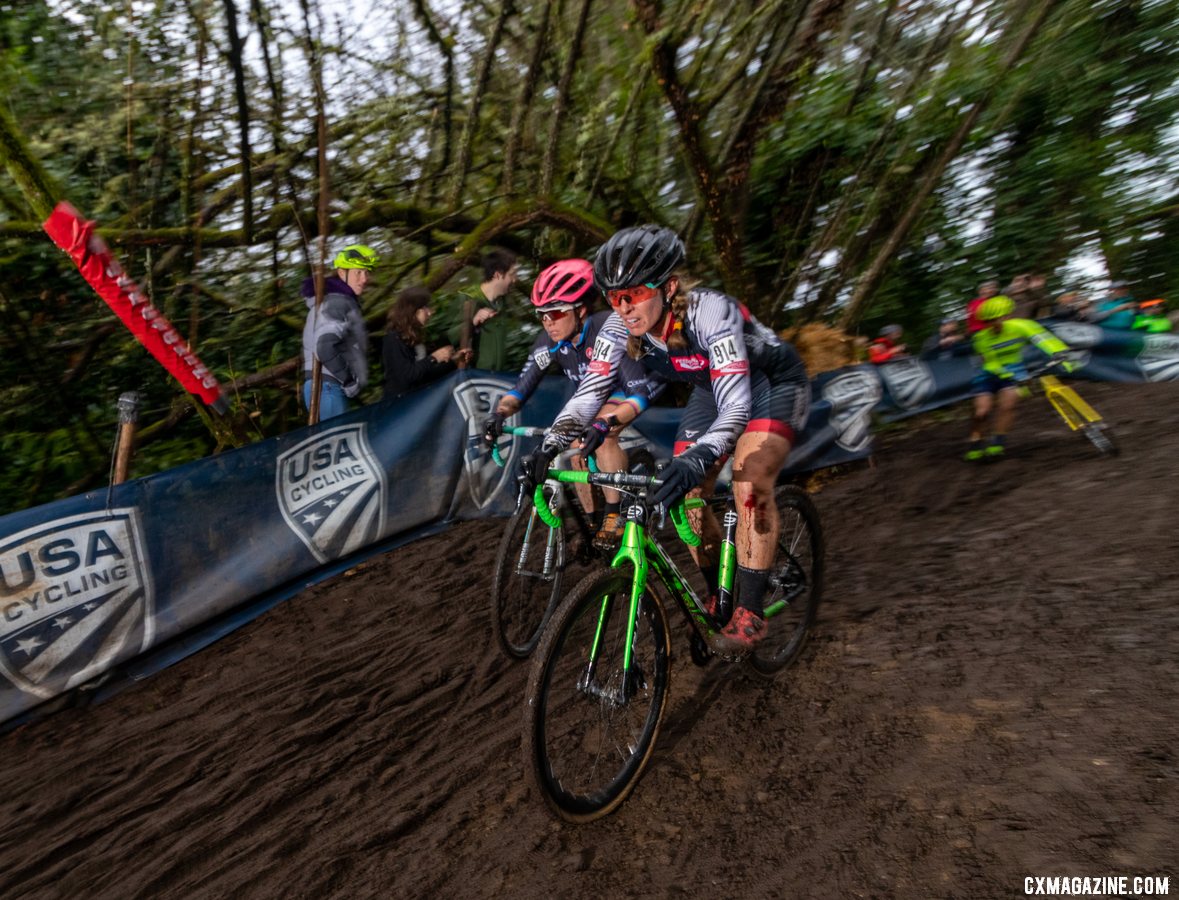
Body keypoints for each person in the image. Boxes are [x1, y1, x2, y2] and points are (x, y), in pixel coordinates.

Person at [519, 225, 810, 654]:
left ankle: (749, 611)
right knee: (688, 496)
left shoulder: (711, 312)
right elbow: (590, 394)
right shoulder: (620, 329)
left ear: (668, 286)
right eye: (614, 297)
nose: (624, 307)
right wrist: (549, 444)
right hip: (711, 390)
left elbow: (737, 410)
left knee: (749, 481)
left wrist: (699, 456)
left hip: (771, 384)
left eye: (634, 293)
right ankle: (718, 595)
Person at [481, 259, 663, 547]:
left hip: (629, 387)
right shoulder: (547, 341)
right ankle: (593, 521)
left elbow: (636, 392)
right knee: (576, 453)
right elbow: (521, 388)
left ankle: (614, 515)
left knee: (602, 436)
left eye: (554, 312)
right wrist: (499, 412)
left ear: (580, 310)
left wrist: (605, 423)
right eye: (541, 315)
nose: (548, 322)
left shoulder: (607, 327)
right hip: (592, 396)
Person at [965, 294, 1073, 462]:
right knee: (982, 412)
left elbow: (1043, 338)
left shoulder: (1021, 326)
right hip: (988, 372)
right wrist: (1011, 376)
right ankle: (975, 439)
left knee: (1008, 406)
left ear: (1006, 316)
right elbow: (991, 363)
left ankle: (998, 441)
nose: (991, 324)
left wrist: (1059, 352)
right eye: (987, 321)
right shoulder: (980, 338)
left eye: (995, 319)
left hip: (1014, 367)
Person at [301, 244, 378, 421]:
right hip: (329, 387)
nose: (364, 279)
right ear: (342, 273)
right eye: (358, 272)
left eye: (367, 273)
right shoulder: (338, 302)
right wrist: (348, 380)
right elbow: (325, 346)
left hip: (324, 387)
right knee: (339, 447)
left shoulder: (334, 300)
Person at [436, 248, 520, 371]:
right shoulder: (466, 298)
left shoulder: (502, 302)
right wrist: (472, 322)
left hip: (498, 378)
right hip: (472, 380)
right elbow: (445, 340)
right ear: (498, 275)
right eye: (511, 274)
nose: (515, 279)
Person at [382, 286, 470, 401]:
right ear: (413, 310)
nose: (430, 312)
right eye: (425, 308)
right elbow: (406, 377)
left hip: (418, 403)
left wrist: (454, 361)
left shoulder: (415, 337)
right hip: (399, 408)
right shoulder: (393, 339)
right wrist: (434, 358)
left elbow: (425, 374)